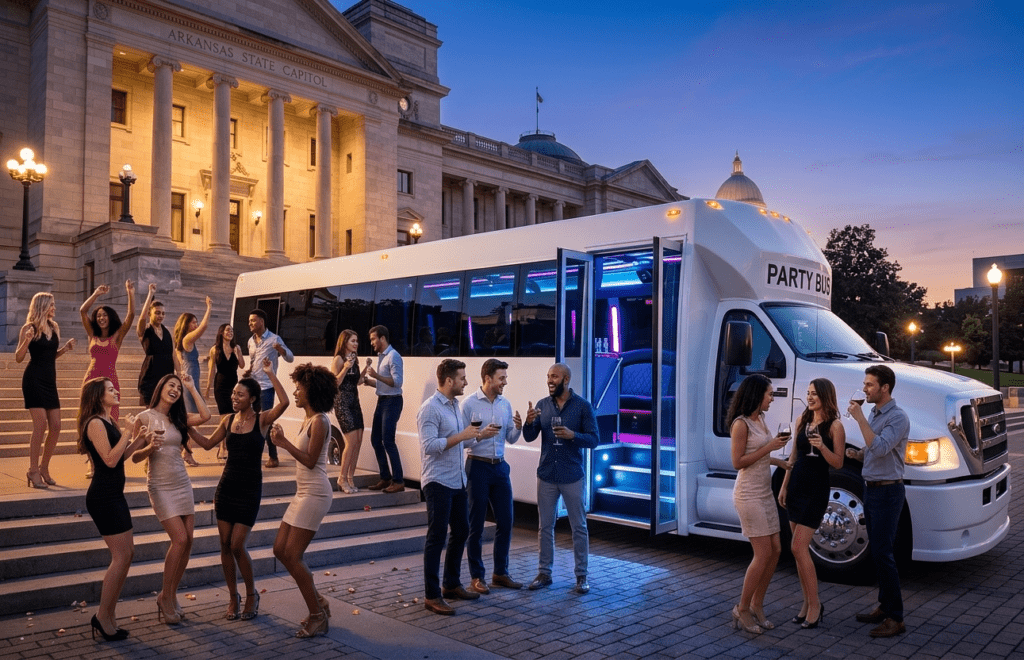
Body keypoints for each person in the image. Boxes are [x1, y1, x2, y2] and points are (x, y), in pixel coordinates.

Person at [188, 359, 288, 621]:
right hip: (227, 487)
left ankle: (252, 594)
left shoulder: (263, 420)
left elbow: (285, 403)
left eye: (239, 394)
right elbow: (209, 444)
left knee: (236, 544)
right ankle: (233, 597)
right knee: (224, 544)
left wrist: (269, 373)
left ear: (252, 398)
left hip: (250, 489)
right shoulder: (228, 420)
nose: (234, 397)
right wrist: (187, 428)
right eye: (233, 393)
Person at [418, 358, 497, 615]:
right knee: (436, 537)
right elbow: (429, 446)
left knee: (462, 530)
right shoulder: (430, 409)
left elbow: (456, 443)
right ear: (449, 380)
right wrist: (462, 435)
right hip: (437, 481)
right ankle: (432, 595)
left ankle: (451, 584)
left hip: (456, 479)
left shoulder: (454, 405)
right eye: (462, 378)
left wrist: (476, 437)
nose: (466, 382)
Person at [76, 377, 153, 641]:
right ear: (98, 396)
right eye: (110, 389)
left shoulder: (109, 420)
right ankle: (101, 616)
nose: (116, 390)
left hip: (114, 496)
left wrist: (141, 439)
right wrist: (130, 432)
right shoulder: (95, 423)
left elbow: (122, 455)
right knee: (120, 557)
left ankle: (108, 615)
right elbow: (109, 460)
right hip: (102, 497)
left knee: (128, 553)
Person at [131, 373, 211, 624]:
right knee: (179, 539)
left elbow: (206, 416)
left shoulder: (179, 418)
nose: (175, 390)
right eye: (171, 385)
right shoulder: (144, 418)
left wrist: (191, 387)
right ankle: (165, 597)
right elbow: (133, 456)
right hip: (160, 485)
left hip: (182, 482)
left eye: (178, 387)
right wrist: (149, 447)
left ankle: (170, 594)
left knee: (188, 542)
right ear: (160, 387)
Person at [269, 363, 336, 638]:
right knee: (279, 550)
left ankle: (318, 615)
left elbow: (310, 461)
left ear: (312, 390)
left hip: (316, 493)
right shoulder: (309, 420)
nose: (295, 392)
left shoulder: (320, 421)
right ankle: (318, 600)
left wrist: (283, 444)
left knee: (293, 555)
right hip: (303, 493)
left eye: (299, 387)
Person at [522, 363, 599, 594]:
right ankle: (544, 573)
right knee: (545, 526)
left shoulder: (582, 406)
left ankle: (581, 576)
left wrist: (573, 435)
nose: (549, 381)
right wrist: (528, 422)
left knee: (579, 527)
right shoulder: (542, 405)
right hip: (546, 474)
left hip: (572, 475)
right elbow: (529, 436)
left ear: (566, 380)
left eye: (554, 377)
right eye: (548, 377)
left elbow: (594, 439)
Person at [847, 364, 910, 638]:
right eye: (865, 384)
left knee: (884, 554)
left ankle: (896, 618)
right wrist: (858, 455)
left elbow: (883, 447)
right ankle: (884, 607)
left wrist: (859, 418)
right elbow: (874, 449)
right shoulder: (874, 413)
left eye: (870, 385)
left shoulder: (898, 417)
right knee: (878, 552)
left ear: (885, 388)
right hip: (871, 489)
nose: (865, 389)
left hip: (888, 492)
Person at [778, 379, 845, 629]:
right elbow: (793, 456)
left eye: (814, 394)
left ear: (826, 396)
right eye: (808, 393)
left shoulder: (835, 426)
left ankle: (816, 604)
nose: (810, 397)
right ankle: (806, 603)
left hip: (816, 490)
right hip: (796, 486)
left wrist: (821, 446)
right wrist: (784, 486)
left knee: (797, 547)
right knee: (799, 551)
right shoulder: (802, 421)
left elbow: (837, 462)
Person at [727, 374, 789, 635]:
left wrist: (779, 462)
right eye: (769, 394)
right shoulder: (741, 424)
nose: (772, 399)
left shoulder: (760, 419)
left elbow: (760, 456)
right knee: (762, 553)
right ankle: (741, 608)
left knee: (776, 550)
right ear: (756, 394)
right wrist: (771, 448)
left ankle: (757, 604)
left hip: (764, 493)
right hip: (748, 494)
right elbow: (738, 462)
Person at [461, 358, 524, 593]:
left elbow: (510, 437)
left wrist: (519, 426)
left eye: (505, 378)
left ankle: (501, 573)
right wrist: (480, 436)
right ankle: (477, 577)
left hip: (500, 467)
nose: (504, 382)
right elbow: (460, 439)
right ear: (488, 378)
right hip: (477, 466)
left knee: (506, 521)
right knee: (475, 524)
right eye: (501, 378)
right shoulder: (468, 404)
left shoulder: (505, 404)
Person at [17, 291, 76, 489]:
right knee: (40, 425)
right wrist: (26, 339)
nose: (54, 308)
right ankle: (33, 470)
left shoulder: (54, 327)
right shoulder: (29, 328)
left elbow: (50, 357)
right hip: (33, 379)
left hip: (50, 380)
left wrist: (64, 349)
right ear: (42, 306)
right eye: (51, 305)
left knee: (57, 425)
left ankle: (44, 467)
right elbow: (18, 357)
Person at [80, 281, 136, 422]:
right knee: (88, 413)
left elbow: (131, 315)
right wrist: (96, 294)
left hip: (110, 379)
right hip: (91, 377)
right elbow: (83, 311)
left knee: (111, 415)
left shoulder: (116, 336)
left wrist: (130, 293)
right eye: (98, 316)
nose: (101, 318)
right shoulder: (92, 333)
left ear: (110, 317)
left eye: (104, 315)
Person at [247, 309, 294, 468]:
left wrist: (280, 349)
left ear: (261, 321)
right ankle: (255, 455)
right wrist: (249, 370)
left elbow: (290, 357)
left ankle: (273, 457)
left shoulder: (274, 339)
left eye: (253, 320)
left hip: (267, 387)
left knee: (267, 422)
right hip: (253, 386)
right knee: (253, 422)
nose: (250, 324)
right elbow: (254, 361)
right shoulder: (250, 341)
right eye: (249, 321)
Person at [361, 325, 405, 493]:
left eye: (373, 339)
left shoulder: (393, 356)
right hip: (382, 400)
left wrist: (376, 376)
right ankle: (385, 477)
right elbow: (383, 383)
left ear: (382, 338)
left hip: (392, 402)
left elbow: (397, 382)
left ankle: (398, 480)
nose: (371, 342)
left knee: (388, 441)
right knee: (375, 439)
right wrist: (368, 381)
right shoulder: (381, 357)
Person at [331, 330, 365, 494]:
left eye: (357, 341)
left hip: (354, 401)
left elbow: (356, 381)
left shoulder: (355, 359)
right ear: (344, 342)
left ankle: (351, 477)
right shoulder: (339, 359)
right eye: (353, 341)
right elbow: (334, 383)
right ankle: (342, 477)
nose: (356, 344)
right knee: (350, 441)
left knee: (358, 440)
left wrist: (365, 371)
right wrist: (345, 368)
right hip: (342, 402)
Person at [205, 323, 246, 460]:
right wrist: (207, 388)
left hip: (234, 386)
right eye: (228, 330)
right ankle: (222, 447)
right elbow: (211, 370)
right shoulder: (214, 349)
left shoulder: (236, 348)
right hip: (220, 385)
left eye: (232, 330)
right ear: (221, 332)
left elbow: (242, 365)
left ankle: (230, 446)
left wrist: (238, 352)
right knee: (224, 417)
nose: (230, 332)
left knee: (233, 416)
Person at [137, 284, 175, 406]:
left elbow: (173, 353)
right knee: (151, 412)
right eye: (157, 313)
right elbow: (141, 319)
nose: (161, 316)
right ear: (150, 313)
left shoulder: (167, 331)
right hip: (151, 375)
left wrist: (178, 374)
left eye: (163, 313)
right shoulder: (145, 331)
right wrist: (150, 294)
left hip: (167, 374)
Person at [173, 297, 212, 414]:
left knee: (193, 409)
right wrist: (209, 307)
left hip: (189, 375)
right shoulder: (187, 339)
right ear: (186, 324)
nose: (196, 325)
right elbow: (203, 327)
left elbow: (180, 361)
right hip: (190, 376)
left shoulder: (183, 340)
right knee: (194, 411)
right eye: (193, 322)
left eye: (197, 322)